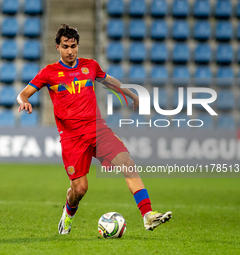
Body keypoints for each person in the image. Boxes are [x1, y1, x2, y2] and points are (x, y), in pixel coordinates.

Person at [17, 24, 172, 234]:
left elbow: (110, 81)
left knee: (127, 162)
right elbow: (24, 93)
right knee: (79, 189)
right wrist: (24, 101)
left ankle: (147, 215)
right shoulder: (49, 73)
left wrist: (132, 94)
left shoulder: (90, 66)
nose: (70, 51)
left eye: (73, 46)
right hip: (72, 138)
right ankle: (68, 213)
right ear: (57, 47)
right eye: (65, 47)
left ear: (78, 45)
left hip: (97, 129)